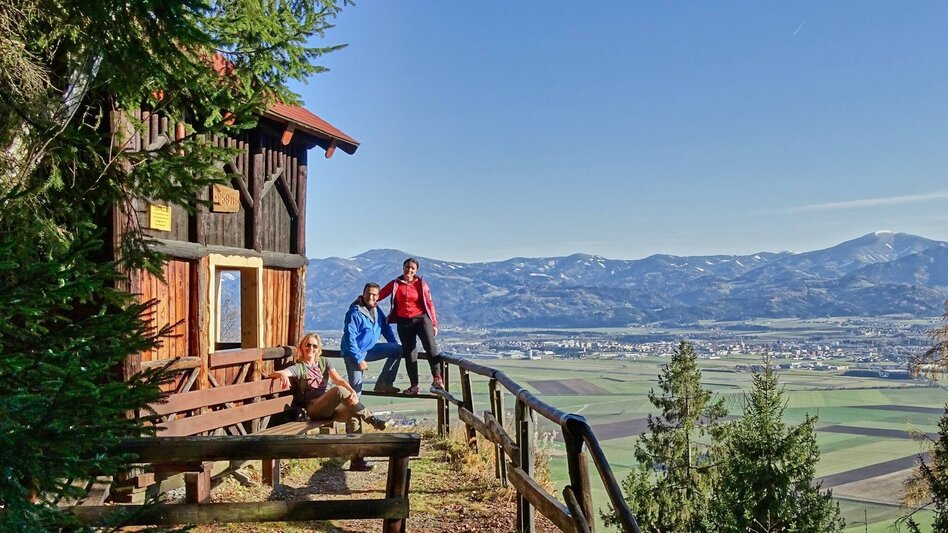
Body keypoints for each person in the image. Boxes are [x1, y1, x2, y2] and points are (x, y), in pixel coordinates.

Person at [267, 333, 386, 471]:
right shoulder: (299, 367)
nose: (310, 348)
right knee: (337, 391)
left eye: (314, 345)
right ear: (302, 346)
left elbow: (339, 380)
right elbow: (279, 373)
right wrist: (280, 374)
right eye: (307, 344)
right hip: (314, 408)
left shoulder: (324, 362)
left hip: (329, 408)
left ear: (318, 349)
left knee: (354, 415)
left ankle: (357, 461)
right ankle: (372, 419)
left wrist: (353, 392)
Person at [379, 257, 444, 396]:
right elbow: (379, 295)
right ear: (403, 268)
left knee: (430, 347)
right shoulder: (395, 284)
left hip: (421, 319)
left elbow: (430, 304)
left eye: (412, 268)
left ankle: (437, 378)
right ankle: (414, 386)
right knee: (409, 353)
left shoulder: (421, 284)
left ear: (416, 270)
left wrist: (434, 323)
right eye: (407, 267)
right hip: (404, 322)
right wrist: (363, 299)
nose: (409, 270)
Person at [341, 282, 403, 394]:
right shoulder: (354, 313)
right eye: (368, 293)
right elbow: (349, 338)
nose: (371, 297)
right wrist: (359, 359)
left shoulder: (376, 309)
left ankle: (384, 383)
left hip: (369, 349)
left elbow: (385, 326)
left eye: (374, 295)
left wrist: (392, 343)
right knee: (356, 392)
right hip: (354, 354)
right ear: (363, 293)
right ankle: (352, 411)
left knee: (397, 350)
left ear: (378, 296)